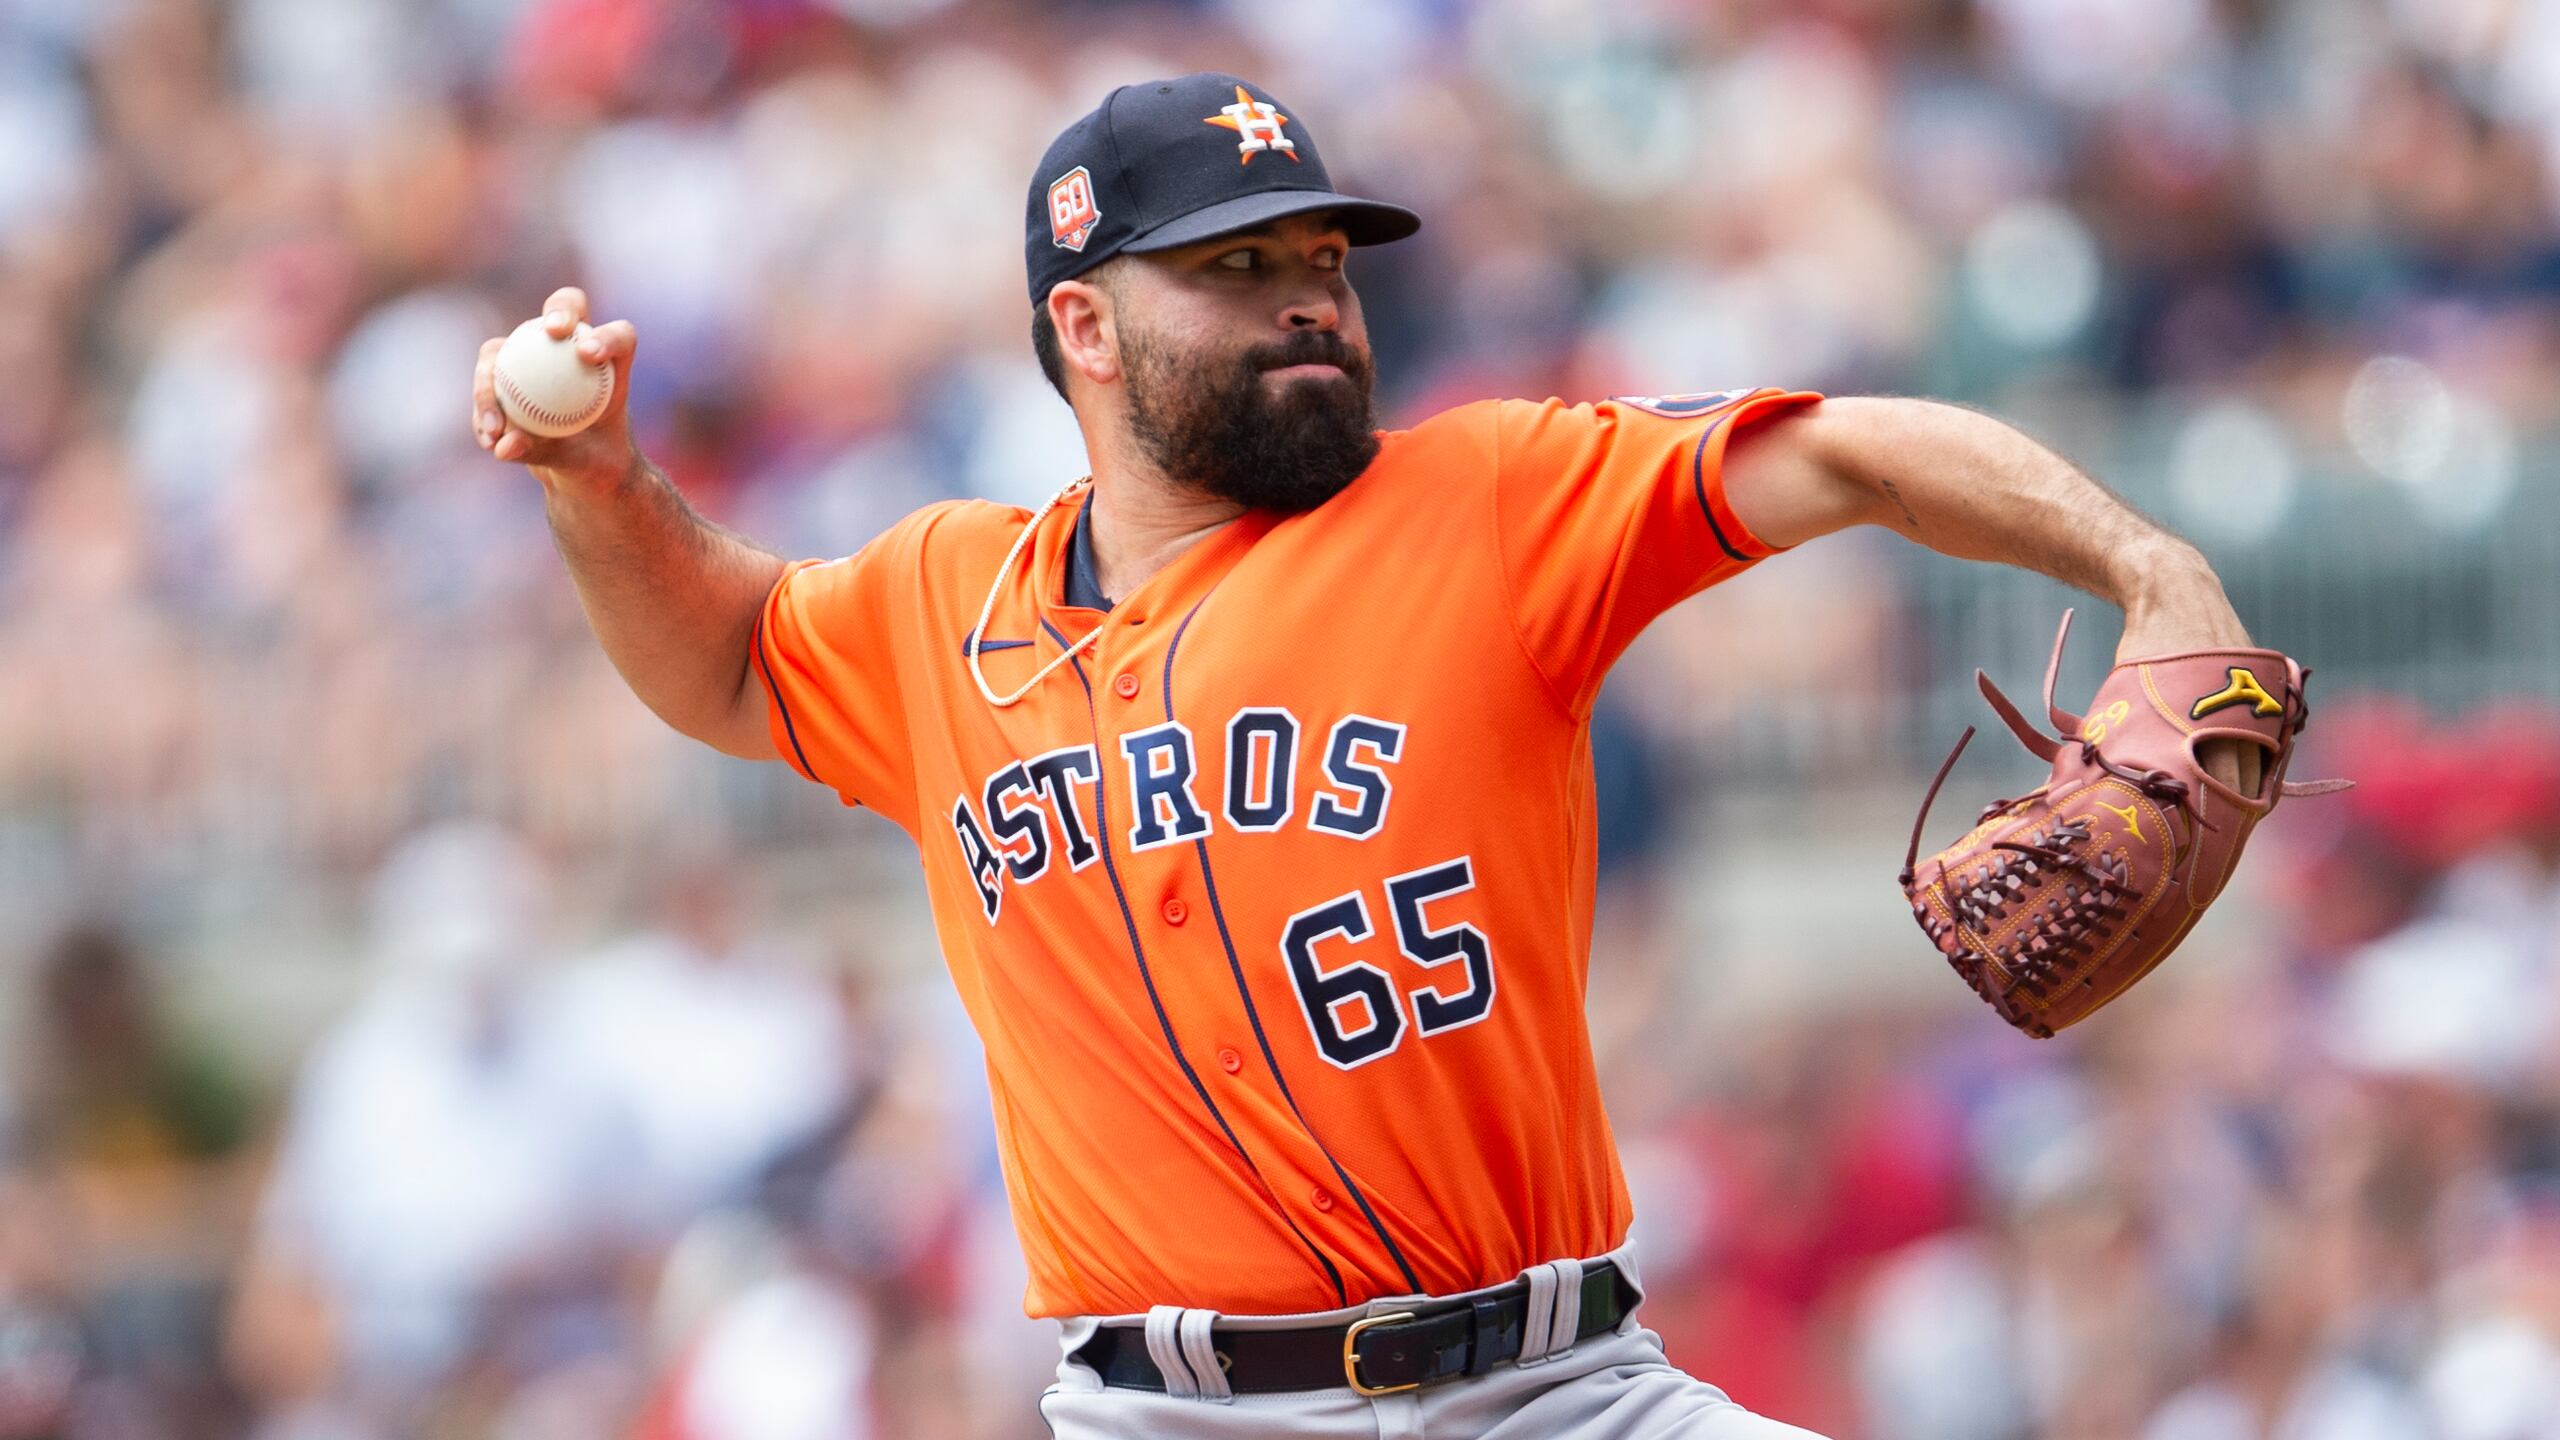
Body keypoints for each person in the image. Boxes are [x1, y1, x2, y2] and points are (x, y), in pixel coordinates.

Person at [471, 71, 2268, 1440]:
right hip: (1168, 1414)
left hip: (1559, 1391)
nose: (1310, 300)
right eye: (1238, 268)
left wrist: (2149, 566)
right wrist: (597, 480)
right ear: (1081, 327)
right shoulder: (940, 603)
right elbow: (717, 655)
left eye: (1324, 258)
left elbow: (1854, 454)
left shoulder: (1484, 499)